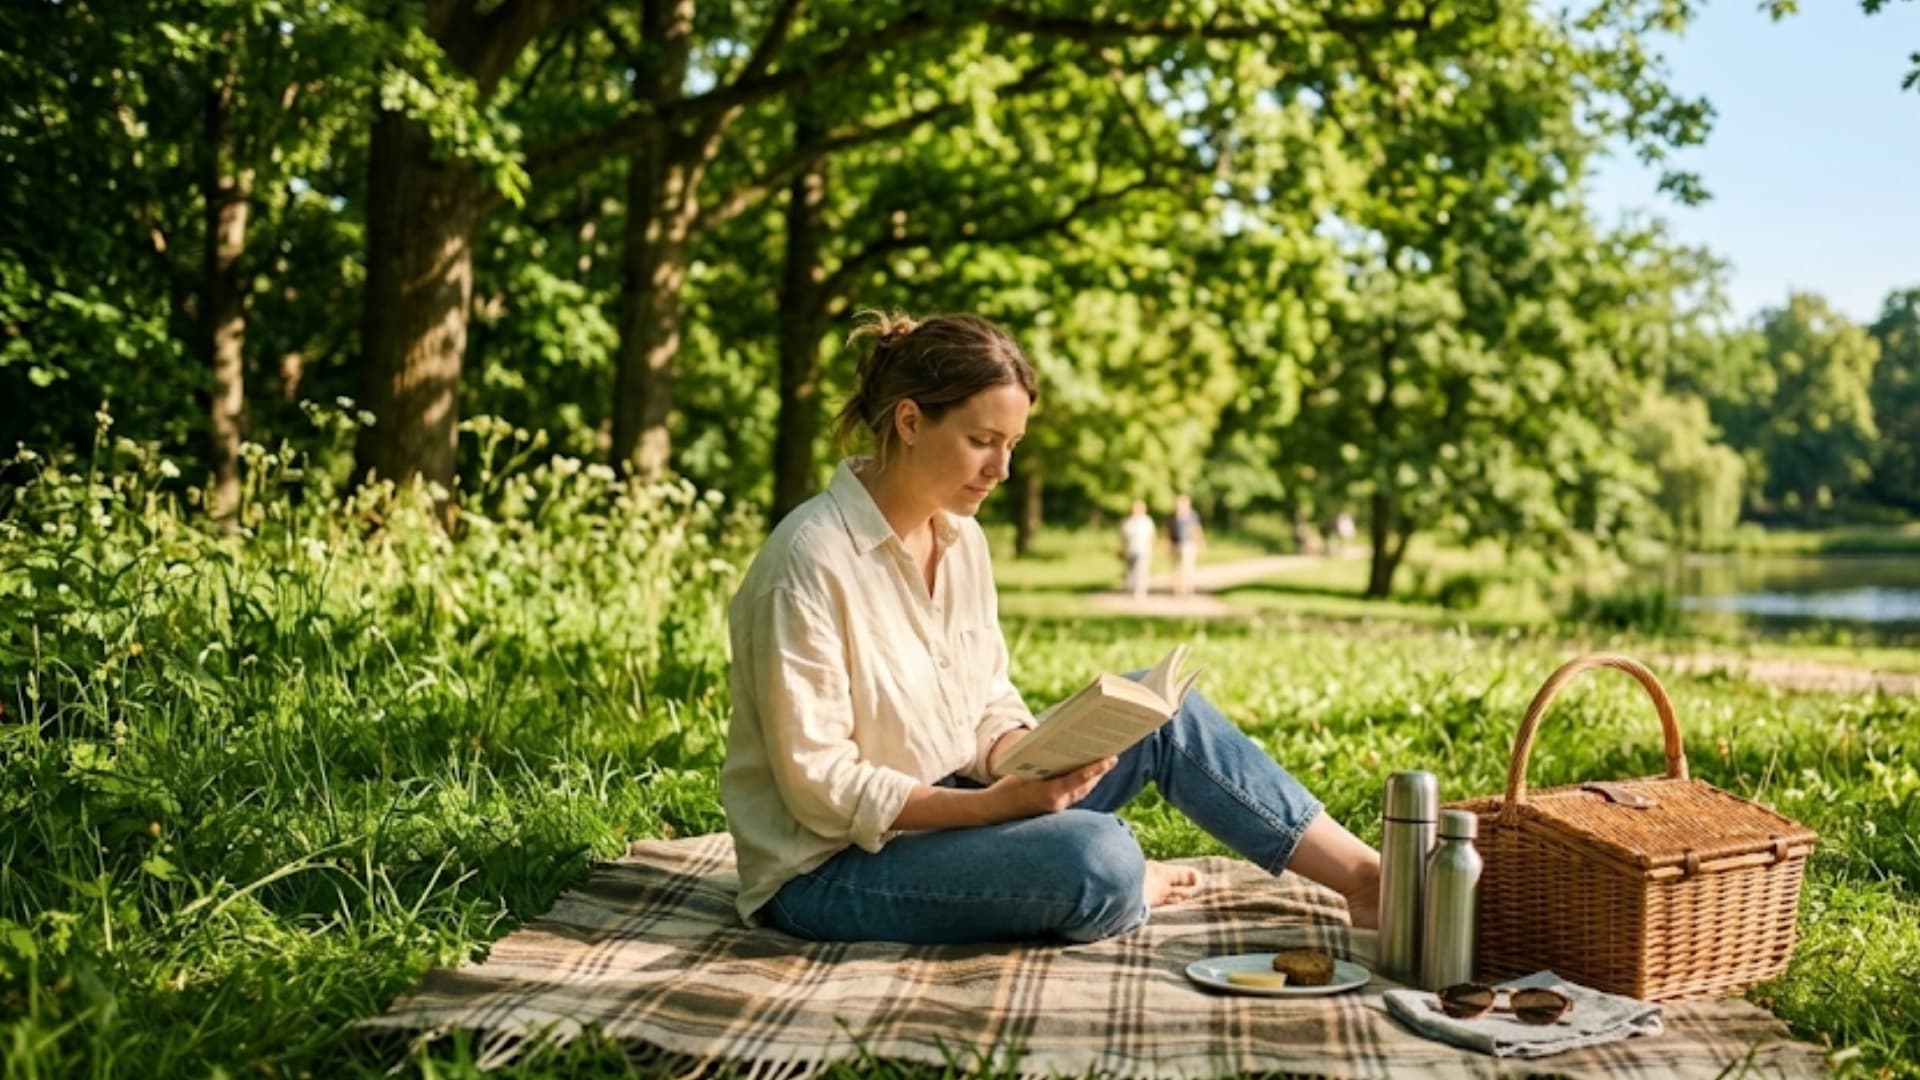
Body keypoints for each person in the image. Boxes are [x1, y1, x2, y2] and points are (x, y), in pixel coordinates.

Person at [720, 311, 1381, 946]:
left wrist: (1034, 756)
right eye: (982, 442)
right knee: (1100, 857)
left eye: (1011, 446)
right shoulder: (808, 560)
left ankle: (1366, 881)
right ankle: (1116, 881)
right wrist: (998, 809)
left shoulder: (962, 541)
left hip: (952, 810)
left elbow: (984, 700)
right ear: (911, 421)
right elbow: (822, 788)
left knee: (1166, 716)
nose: (1001, 470)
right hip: (833, 869)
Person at [1167, 493, 1204, 597]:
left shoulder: (1193, 515)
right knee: (1175, 568)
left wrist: (1200, 543)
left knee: (1187, 567)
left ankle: (1188, 588)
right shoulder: (1172, 516)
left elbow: (1197, 530)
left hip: (1189, 544)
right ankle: (1176, 589)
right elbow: (1168, 531)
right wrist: (1168, 545)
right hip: (1176, 544)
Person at [1119, 499, 1156, 599]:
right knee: (1131, 571)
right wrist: (1121, 549)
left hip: (1143, 549)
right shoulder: (1128, 522)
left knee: (1141, 570)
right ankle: (1131, 589)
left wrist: (1152, 550)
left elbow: (1151, 536)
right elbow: (1123, 537)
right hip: (1130, 550)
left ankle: (1140, 591)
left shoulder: (1147, 521)